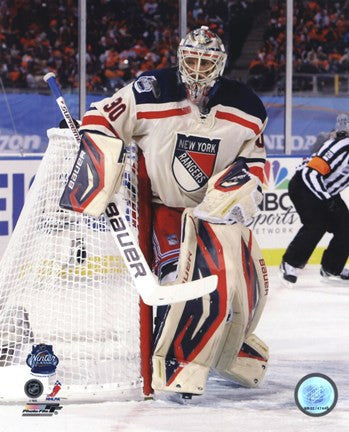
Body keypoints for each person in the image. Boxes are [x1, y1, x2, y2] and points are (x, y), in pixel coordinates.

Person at [61, 26, 269, 397]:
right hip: (167, 212)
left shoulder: (248, 106)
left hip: (215, 216)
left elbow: (255, 161)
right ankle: (178, 363)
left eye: (207, 61)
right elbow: (103, 118)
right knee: (183, 281)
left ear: (220, 64)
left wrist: (232, 194)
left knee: (249, 287)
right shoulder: (149, 91)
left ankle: (230, 349)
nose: (199, 68)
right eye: (192, 59)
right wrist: (98, 160)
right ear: (179, 59)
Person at [280, 113, 349, 285]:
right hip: (304, 185)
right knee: (317, 224)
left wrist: (329, 199)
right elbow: (310, 173)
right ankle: (289, 263)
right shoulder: (341, 147)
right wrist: (327, 200)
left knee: (346, 226)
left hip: (326, 191)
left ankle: (332, 267)